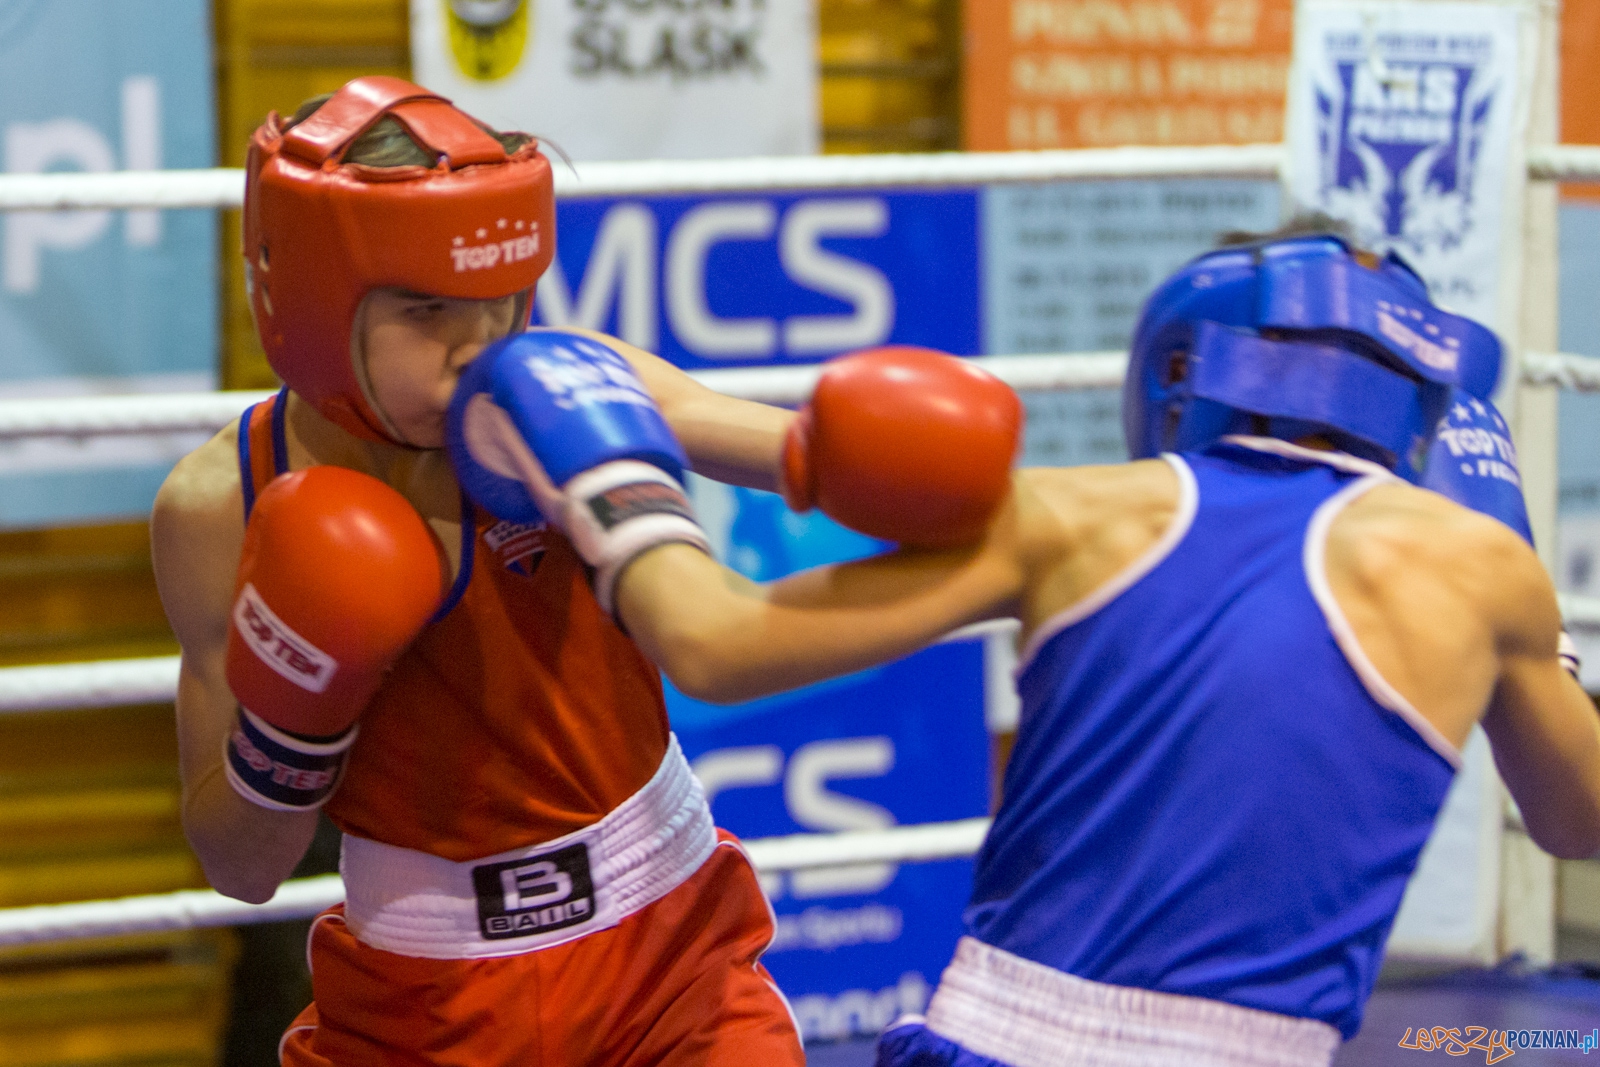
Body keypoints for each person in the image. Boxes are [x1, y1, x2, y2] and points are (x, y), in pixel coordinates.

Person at [454, 228, 1600, 1066]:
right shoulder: (1480, 569)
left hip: (984, 1035)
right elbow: (1576, 818)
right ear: (1419, 413)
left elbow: (711, 642)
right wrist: (1529, 627)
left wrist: (612, 471)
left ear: (1178, 371)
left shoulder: (1076, 512)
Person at [150, 76, 809, 1065]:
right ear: (317, 299)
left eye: (498, 297)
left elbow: (778, 446)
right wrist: (292, 722)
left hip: (673, 959)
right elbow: (241, 864)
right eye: (424, 307)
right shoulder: (222, 503)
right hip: (413, 1000)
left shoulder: (561, 385)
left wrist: (893, 459)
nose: (477, 346)